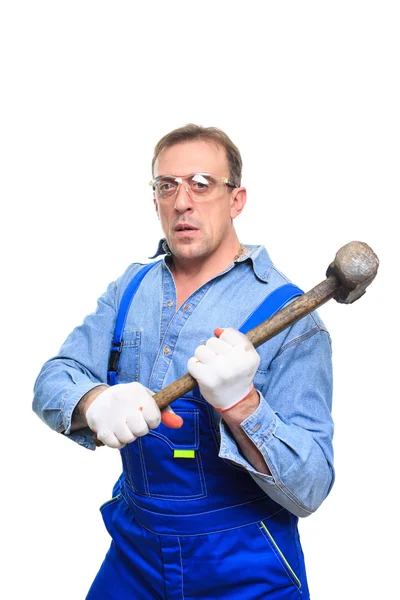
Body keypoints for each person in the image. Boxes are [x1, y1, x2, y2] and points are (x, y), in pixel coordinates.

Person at [33, 124, 334, 599]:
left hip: (244, 565)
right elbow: (53, 379)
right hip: (134, 555)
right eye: (166, 186)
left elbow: (311, 486)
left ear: (237, 200)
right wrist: (95, 402)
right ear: (154, 200)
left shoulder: (293, 318)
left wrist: (242, 405)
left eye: (201, 183)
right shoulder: (130, 289)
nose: (182, 202)